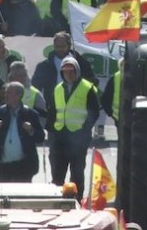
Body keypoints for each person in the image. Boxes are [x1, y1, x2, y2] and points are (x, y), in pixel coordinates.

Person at [45, 56, 99, 200]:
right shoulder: (57, 89)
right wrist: (50, 129)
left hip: (78, 139)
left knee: (77, 174)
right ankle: (57, 201)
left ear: (77, 71)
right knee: (57, 174)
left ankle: (77, 201)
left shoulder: (87, 88)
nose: (68, 74)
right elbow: (53, 111)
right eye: (65, 71)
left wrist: (84, 129)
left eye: (71, 71)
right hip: (60, 138)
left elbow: (94, 112)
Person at [0, 82, 46, 182]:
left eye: (9, 93)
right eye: (5, 92)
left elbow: (41, 137)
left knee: (21, 196)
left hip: (23, 166)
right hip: (2, 166)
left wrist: (31, 130)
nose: (5, 95)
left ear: (18, 95)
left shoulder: (30, 114)